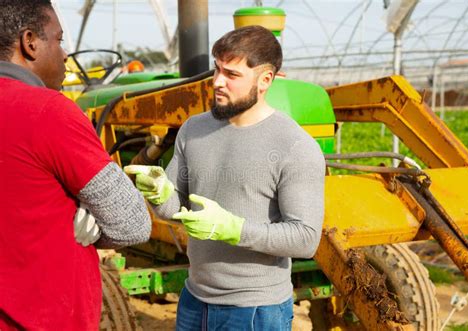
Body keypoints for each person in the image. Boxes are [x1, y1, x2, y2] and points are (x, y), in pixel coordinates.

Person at [125, 25, 325, 330]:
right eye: (216, 69)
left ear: (265, 79)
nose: (217, 82)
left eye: (232, 75)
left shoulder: (294, 146)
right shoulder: (194, 129)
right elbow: (177, 211)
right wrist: (159, 193)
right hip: (195, 299)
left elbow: (305, 239)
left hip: (256, 310)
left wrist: (233, 229)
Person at [0, 1, 152, 330]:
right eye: (58, 40)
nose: (66, 53)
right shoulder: (49, 112)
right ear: (29, 42)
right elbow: (132, 223)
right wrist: (86, 211)